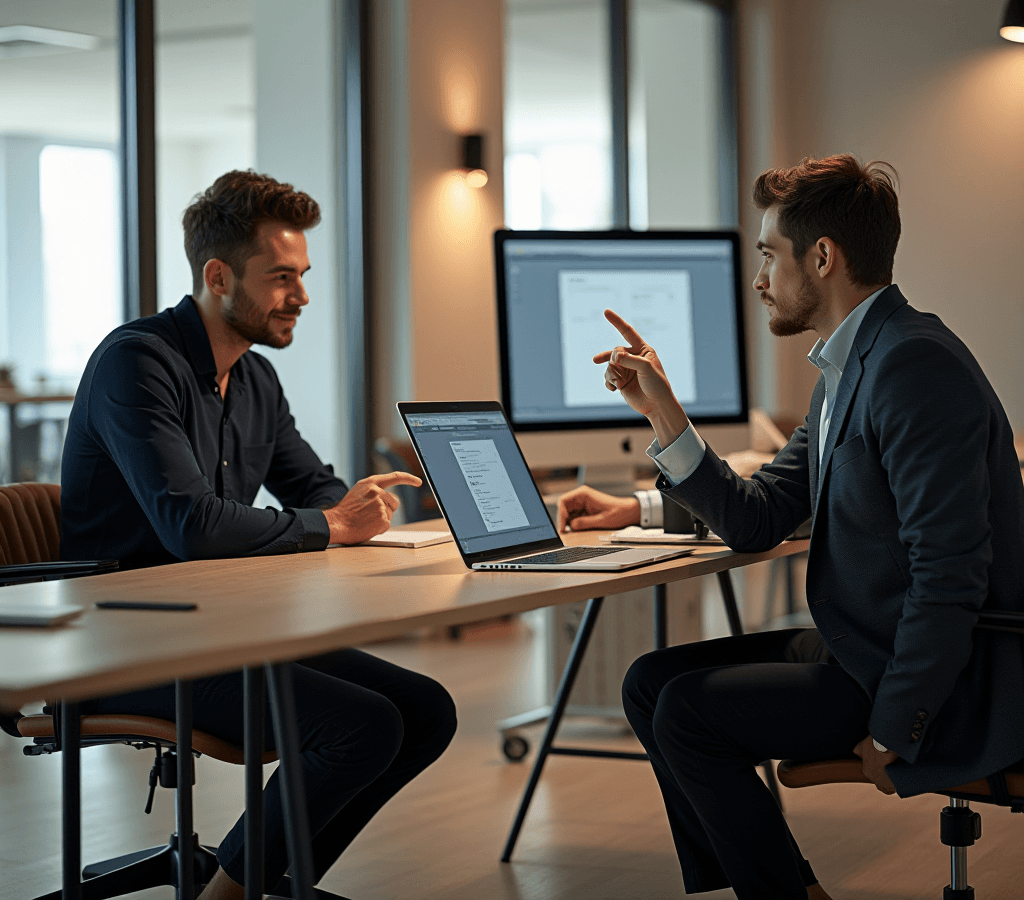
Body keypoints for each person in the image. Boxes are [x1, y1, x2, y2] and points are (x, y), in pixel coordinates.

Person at [555, 154, 1024, 899]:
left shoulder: (911, 367)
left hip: (941, 675)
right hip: (866, 642)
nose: (759, 277)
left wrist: (898, 723)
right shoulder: (853, 367)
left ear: (824, 257)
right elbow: (759, 518)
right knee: (649, 683)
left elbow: (950, 572)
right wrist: (665, 414)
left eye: (769, 254)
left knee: (686, 713)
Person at [60, 170, 457, 899]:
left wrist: (351, 508)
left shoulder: (255, 379)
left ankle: (258, 879)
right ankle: (234, 893)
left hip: (223, 629)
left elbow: (314, 487)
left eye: (302, 276)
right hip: (125, 643)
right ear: (217, 276)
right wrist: (333, 525)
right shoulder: (136, 364)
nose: (301, 296)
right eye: (281, 278)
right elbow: (190, 525)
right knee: (361, 726)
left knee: (426, 710)